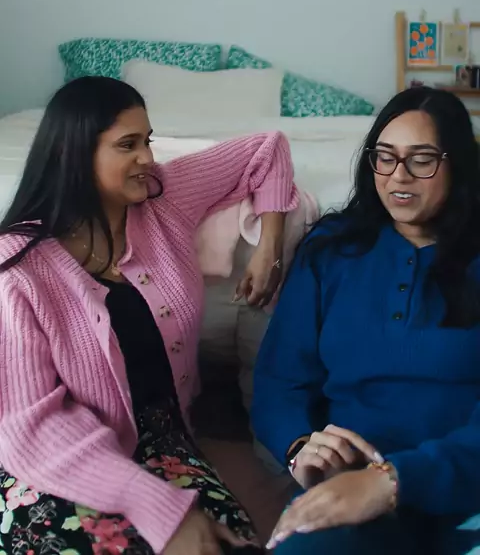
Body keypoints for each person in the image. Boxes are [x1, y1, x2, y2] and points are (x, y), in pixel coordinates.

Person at [0, 75, 298, 555]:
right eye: (128, 145)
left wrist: (270, 248)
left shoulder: (163, 198)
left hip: (165, 441)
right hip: (57, 461)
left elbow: (268, 148)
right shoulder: (17, 268)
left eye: (148, 140)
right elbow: (30, 426)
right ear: (72, 153)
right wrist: (154, 505)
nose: (148, 158)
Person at [252, 87, 480, 555]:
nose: (399, 176)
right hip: (347, 489)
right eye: (385, 157)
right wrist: (300, 450)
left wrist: (392, 480)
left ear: (457, 165)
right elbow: (280, 380)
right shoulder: (331, 249)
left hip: (465, 486)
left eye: (421, 160)